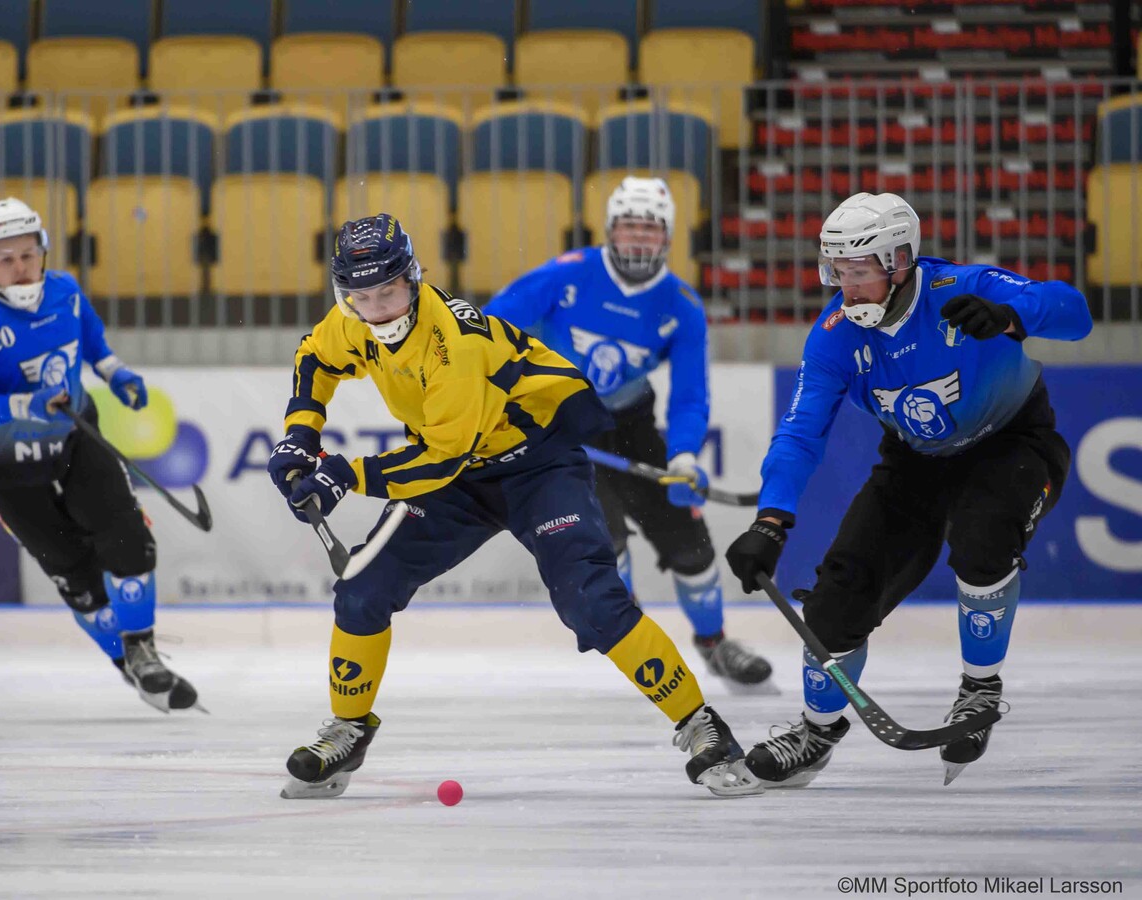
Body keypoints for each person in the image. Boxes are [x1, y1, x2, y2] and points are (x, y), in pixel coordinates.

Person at [267, 213, 760, 799]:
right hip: (458, 471)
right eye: (362, 297)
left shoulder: (453, 343)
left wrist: (345, 475)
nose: (378, 310)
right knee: (362, 588)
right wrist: (300, 436)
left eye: (389, 293)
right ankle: (348, 728)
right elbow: (315, 358)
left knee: (592, 603)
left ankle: (702, 724)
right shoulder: (353, 318)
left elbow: (441, 460)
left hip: (537, 467)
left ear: (414, 279)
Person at [724, 191, 1092, 787]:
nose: (847, 288)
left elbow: (1076, 313)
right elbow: (799, 433)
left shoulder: (960, 289)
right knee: (835, 598)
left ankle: (979, 689)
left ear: (899, 261)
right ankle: (816, 732)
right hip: (914, 463)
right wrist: (771, 520)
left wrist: (1011, 316)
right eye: (837, 272)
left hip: (1012, 442)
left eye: (859, 271)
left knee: (983, 538)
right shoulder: (834, 336)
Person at [483, 176, 774, 693]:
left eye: (650, 228)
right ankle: (637, 644)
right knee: (604, 542)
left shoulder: (681, 305)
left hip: (630, 427)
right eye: (629, 226)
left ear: (668, 236)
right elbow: (485, 331)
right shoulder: (566, 274)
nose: (639, 237)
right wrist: (508, 398)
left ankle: (715, 643)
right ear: (610, 230)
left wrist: (683, 456)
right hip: (559, 426)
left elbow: (690, 396)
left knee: (690, 545)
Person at [0, 198, 200, 713]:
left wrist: (116, 374)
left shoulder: (65, 290)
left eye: (28, 254)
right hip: (6, 467)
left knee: (128, 539)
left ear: (43, 249)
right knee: (74, 573)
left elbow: (93, 343)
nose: (20, 267)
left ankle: (143, 650)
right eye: (5, 258)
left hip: (76, 440)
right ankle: (124, 661)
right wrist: (20, 405)